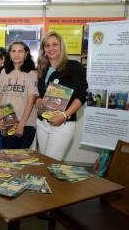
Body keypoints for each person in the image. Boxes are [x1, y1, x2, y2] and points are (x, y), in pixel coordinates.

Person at [36, 31, 88, 160]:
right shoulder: (42, 68)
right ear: (43, 49)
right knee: (44, 161)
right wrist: (38, 100)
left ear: (61, 46)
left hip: (62, 124)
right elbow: (40, 93)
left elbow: (82, 95)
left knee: (50, 163)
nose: (51, 48)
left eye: (55, 44)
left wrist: (64, 115)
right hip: (42, 123)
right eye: (47, 45)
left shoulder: (73, 66)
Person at [0, 41, 38, 149]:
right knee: (7, 157)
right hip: (7, 121)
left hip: (26, 124)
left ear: (26, 54)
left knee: (19, 159)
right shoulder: (4, 72)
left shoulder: (32, 73)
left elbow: (31, 101)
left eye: (20, 51)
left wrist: (21, 124)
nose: (16, 54)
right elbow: (1, 97)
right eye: (13, 51)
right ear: (9, 54)